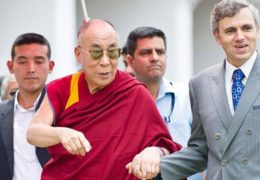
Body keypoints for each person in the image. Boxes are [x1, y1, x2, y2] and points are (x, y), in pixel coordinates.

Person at [128, 0, 260, 179]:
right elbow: (201, 151)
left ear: (257, 31)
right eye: (231, 31)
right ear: (217, 36)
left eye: (247, 28)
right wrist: (159, 165)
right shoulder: (200, 83)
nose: (240, 37)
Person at [26, 19, 181, 179]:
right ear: (78, 54)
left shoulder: (135, 92)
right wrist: (61, 134)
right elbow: (33, 132)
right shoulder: (63, 88)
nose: (105, 62)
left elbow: (165, 145)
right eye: (96, 53)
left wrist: (153, 152)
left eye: (112, 52)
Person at [126, 26, 202, 180]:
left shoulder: (187, 96)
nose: (154, 57)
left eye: (160, 52)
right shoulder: (121, 102)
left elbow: (204, 149)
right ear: (130, 60)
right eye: (146, 52)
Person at [0, 33, 52, 180]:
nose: (31, 69)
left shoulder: (65, 112)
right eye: (22, 61)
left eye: (39, 61)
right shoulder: (1, 113)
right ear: (10, 66)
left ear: (50, 66)